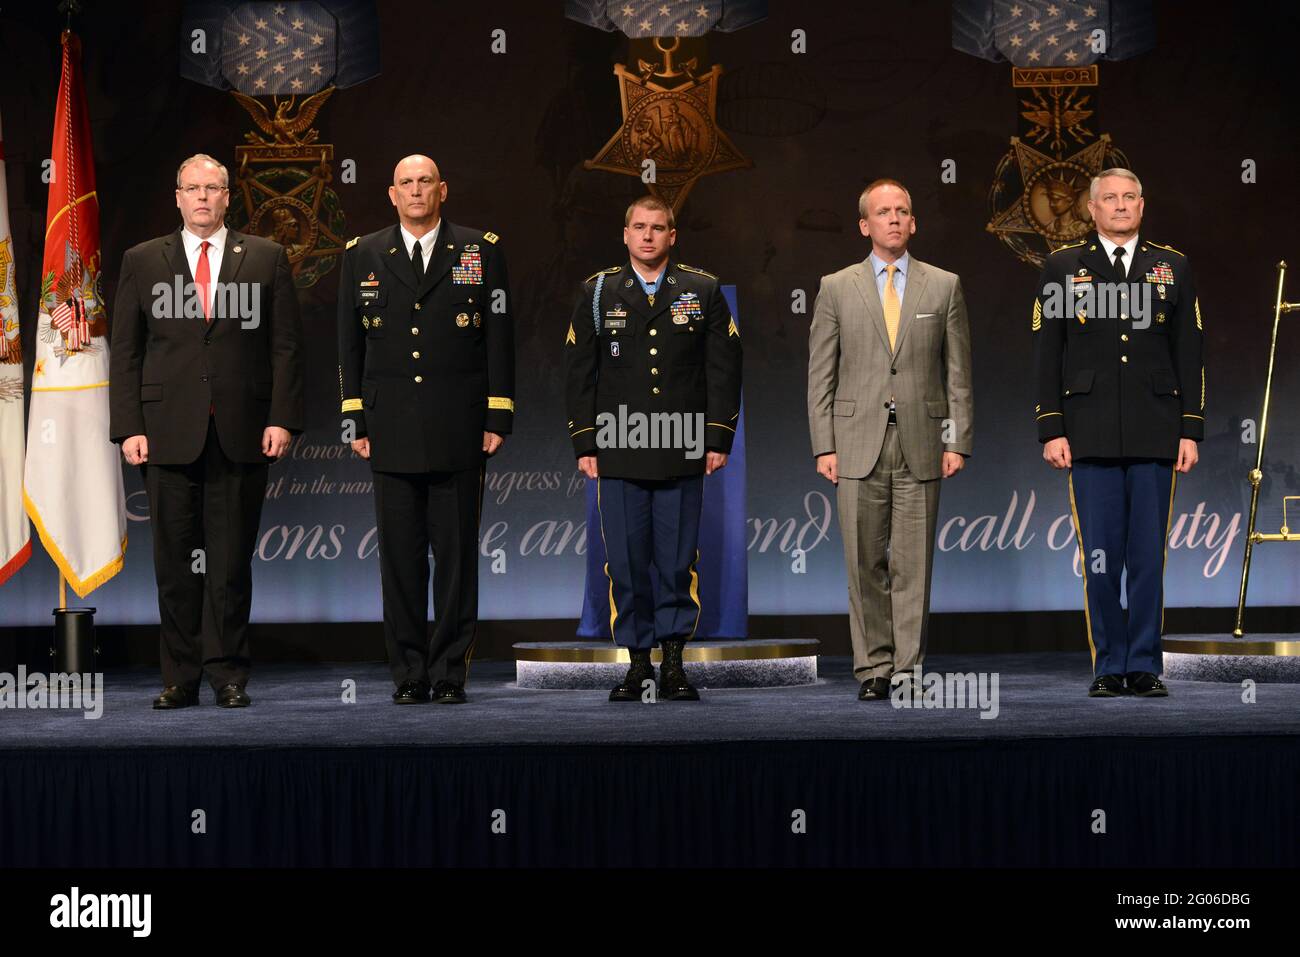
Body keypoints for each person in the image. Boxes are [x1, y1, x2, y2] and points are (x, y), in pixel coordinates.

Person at [109, 153, 303, 709]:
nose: (202, 198)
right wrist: (128, 427)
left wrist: (282, 417)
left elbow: (285, 346)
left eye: (212, 188)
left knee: (229, 562)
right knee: (174, 563)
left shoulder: (266, 257)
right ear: (177, 196)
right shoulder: (143, 261)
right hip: (165, 432)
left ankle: (228, 675)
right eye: (192, 188)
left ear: (227, 196)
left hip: (241, 430)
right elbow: (126, 350)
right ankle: (180, 676)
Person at [337, 155, 514, 705]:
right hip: (388, 427)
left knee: (457, 559)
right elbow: (349, 343)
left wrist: (498, 412)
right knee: (400, 560)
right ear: (392, 194)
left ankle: (450, 673)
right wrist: (354, 415)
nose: (416, 191)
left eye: (425, 182)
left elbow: (499, 338)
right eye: (406, 184)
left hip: (459, 426)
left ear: (443, 189)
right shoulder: (362, 253)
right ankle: (409, 672)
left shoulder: (479, 248)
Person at [1033, 168, 1203, 698]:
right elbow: (1047, 351)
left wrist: (1190, 427)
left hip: (1157, 429)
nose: (1121, 205)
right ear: (1092, 208)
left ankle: (1146, 663)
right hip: (1090, 432)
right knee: (1101, 556)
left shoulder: (1171, 266)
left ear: (1142, 206)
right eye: (1110, 198)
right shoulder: (1063, 266)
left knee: (1148, 555)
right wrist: (1050, 428)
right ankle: (1109, 664)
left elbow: (1190, 351)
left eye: (1130, 197)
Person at [564, 195, 742, 702]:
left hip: (681, 442)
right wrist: (585, 441)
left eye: (658, 227)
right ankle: (638, 662)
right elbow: (579, 372)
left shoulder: (702, 289)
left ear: (672, 235)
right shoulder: (598, 291)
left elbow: (724, 368)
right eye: (639, 227)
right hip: (618, 443)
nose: (648, 236)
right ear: (625, 234)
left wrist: (717, 437)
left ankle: (674, 664)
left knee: (677, 559)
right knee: (624, 559)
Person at [807, 178, 973, 701]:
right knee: (863, 562)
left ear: (913, 222)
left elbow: (958, 374)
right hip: (856, 442)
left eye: (903, 210)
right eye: (884, 212)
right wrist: (824, 444)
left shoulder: (944, 284)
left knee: (913, 564)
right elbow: (821, 375)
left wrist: (957, 440)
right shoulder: (836, 286)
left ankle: (907, 669)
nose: (895, 219)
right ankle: (873, 668)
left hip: (923, 441)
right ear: (865, 225)